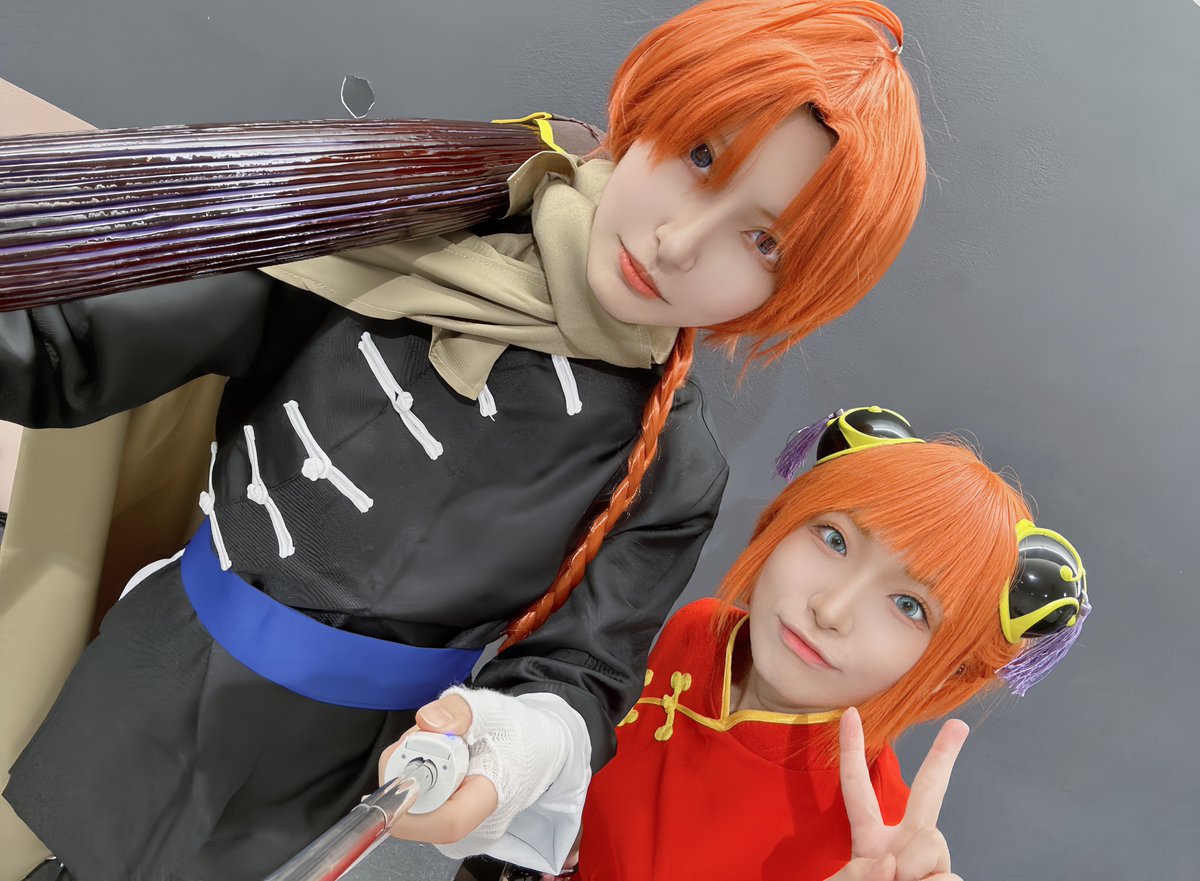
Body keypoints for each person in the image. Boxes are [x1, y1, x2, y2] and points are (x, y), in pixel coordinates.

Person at [0, 3, 926, 879]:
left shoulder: (670, 467)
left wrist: (511, 747)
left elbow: (581, 670)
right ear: (655, 106)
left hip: (331, 775)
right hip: (158, 671)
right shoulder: (394, 226)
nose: (681, 242)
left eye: (763, 242)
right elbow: (76, 346)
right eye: (700, 155)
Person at [570, 407, 1090, 881]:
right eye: (834, 539)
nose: (830, 610)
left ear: (947, 673)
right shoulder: (700, 631)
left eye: (909, 606)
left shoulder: (877, 839)